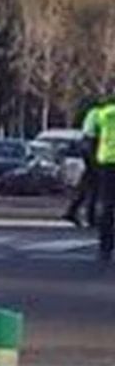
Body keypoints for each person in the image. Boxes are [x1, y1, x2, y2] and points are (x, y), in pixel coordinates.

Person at [85, 96, 115, 261]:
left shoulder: (100, 114)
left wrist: (93, 163)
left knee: (107, 205)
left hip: (106, 162)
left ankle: (105, 246)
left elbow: (89, 137)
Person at [65, 107, 99, 228]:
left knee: (88, 183)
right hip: (94, 148)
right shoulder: (103, 113)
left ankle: (73, 210)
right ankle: (90, 217)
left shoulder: (94, 112)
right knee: (95, 184)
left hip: (89, 147)